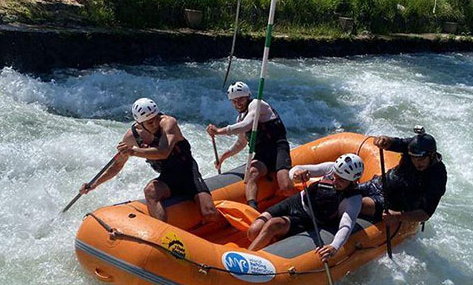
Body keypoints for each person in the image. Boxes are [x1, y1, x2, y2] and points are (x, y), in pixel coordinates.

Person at [79, 98, 220, 223]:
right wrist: (94, 184)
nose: (155, 124)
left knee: (210, 214)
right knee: (150, 190)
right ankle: (163, 234)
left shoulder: (168, 123)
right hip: (168, 178)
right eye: (150, 122)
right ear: (139, 123)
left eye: (156, 118)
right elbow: (117, 166)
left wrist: (133, 151)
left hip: (188, 173)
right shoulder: (131, 137)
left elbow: (164, 152)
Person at [246, 154, 366, 263]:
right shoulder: (331, 168)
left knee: (273, 224)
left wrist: (334, 246)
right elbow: (296, 170)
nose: (335, 180)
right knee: (254, 231)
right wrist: (297, 175)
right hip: (296, 202)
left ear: (353, 181)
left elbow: (346, 225)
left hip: (308, 219)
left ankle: (245, 259)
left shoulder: (353, 198)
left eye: (341, 180)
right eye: (335, 175)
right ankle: (270, 242)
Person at [206, 81, 294, 210]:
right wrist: (223, 157)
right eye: (234, 101)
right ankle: (252, 208)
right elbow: (241, 143)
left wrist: (219, 131)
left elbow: (248, 124)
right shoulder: (240, 119)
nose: (238, 104)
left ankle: (299, 206)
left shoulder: (257, 105)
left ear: (248, 96)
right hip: (263, 154)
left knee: (285, 186)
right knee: (251, 173)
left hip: (278, 148)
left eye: (241, 99)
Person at [357, 126, 447, 226]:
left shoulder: (438, 175)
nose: (417, 162)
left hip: (395, 203)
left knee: (362, 204)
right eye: (413, 158)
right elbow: (392, 143)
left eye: (421, 159)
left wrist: (397, 216)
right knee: (349, 191)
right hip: (381, 184)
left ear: (432, 155)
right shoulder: (411, 146)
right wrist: (383, 140)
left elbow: (426, 213)